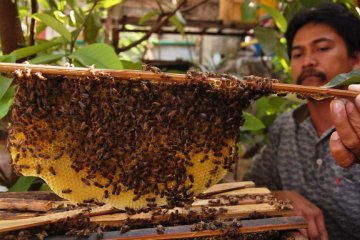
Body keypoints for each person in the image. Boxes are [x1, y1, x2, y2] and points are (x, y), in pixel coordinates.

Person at [244, 3, 360, 240]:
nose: (307, 61)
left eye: (322, 48)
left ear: (356, 60)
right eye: (298, 54)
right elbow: (248, 189)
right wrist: (280, 196)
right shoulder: (284, 128)